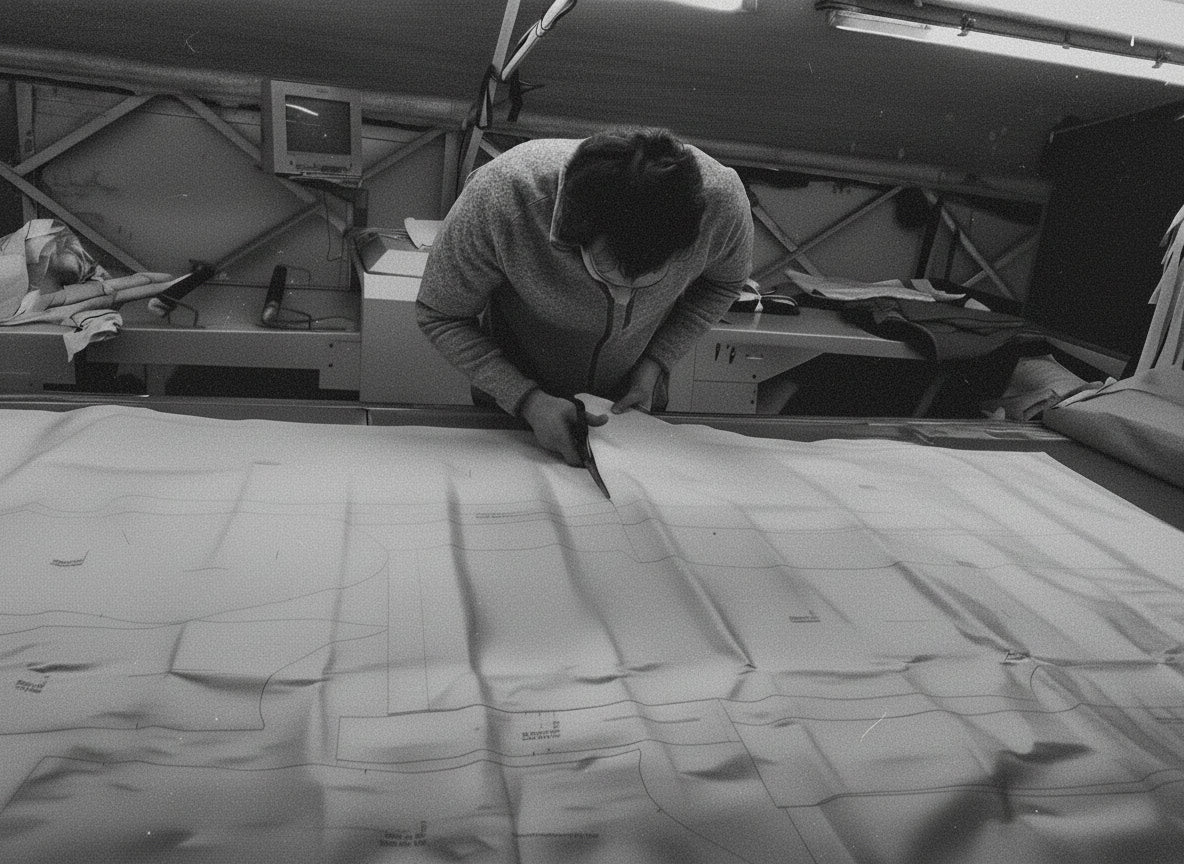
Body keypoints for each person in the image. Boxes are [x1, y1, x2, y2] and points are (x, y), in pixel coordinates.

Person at [416, 127, 754, 465]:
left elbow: (724, 284)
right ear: (576, 230)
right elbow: (441, 314)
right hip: (515, 409)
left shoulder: (719, 204)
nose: (623, 299)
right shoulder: (503, 196)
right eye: (608, 274)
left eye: (649, 280)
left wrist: (655, 363)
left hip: (631, 405)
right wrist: (526, 400)